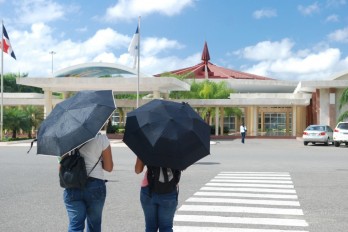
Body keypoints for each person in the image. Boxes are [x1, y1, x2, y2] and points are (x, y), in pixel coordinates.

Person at [62, 133, 114, 232]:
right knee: (94, 225)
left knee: (75, 226)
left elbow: (62, 167)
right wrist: (99, 160)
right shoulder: (101, 138)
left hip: (73, 184)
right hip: (95, 184)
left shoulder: (67, 137)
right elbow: (109, 167)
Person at [135, 157, 179, 232]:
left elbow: (138, 170)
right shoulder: (178, 146)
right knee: (166, 227)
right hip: (169, 190)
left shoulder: (148, 145)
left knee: (150, 227)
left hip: (149, 190)